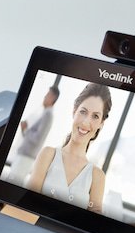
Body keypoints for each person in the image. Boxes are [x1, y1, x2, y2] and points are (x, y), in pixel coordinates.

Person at [27, 83, 112, 213]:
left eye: (95, 116)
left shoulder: (97, 176)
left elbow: (93, 226)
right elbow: (26, 203)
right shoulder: (48, 154)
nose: (85, 122)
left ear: (101, 123)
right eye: (83, 112)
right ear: (74, 111)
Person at [9, 85, 59, 185]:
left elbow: (37, 139)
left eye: (47, 94)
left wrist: (26, 130)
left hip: (26, 157)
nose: (44, 97)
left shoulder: (48, 115)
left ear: (52, 98)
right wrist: (25, 130)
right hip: (25, 155)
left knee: (13, 183)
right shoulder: (45, 114)